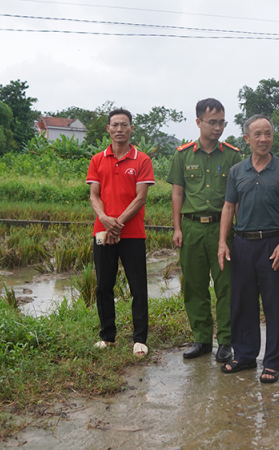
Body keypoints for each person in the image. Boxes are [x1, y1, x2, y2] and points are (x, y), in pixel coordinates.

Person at [217, 114, 279, 383]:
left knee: (275, 305)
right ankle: (244, 356)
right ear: (247, 139)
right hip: (243, 243)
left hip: (272, 244)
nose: (263, 139)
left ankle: (272, 363)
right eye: (257, 134)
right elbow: (229, 207)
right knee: (242, 303)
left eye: (267, 133)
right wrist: (223, 242)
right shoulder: (237, 172)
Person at [166, 98, 242, 362]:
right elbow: (177, 193)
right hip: (191, 228)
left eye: (222, 122)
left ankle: (225, 341)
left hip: (222, 229)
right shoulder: (183, 154)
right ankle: (201, 339)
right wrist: (177, 228)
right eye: (212, 122)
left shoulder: (232, 155)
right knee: (195, 286)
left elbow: (237, 198)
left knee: (226, 285)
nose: (218, 127)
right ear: (198, 122)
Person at [86, 108, 155, 357]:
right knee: (104, 284)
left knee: (138, 286)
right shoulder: (97, 159)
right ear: (108, 129)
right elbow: (94, 194)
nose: (119, 129)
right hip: (102, 232)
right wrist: (105, 220)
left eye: (124, 125)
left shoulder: (142, 160)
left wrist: (118, 223)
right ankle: (107, 336)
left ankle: (140, 339)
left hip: (133, 233)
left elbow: (141, 198)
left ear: (131, 129)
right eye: (115, 125)